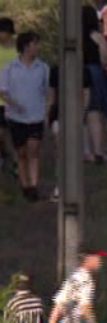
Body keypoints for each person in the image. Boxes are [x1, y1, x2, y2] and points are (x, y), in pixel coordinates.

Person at [0, 32, 49, 200]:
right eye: (35, 44)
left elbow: (47, 91)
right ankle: (25, 185)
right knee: (21, 153)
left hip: (36, 116)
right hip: (16, 117)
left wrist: (47, 111)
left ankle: (34, 186)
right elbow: (3, 91)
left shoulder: (42, 68)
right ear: (27, 46)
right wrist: (15, 105)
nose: (38, 47)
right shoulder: (10, 68)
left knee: (34, 150)